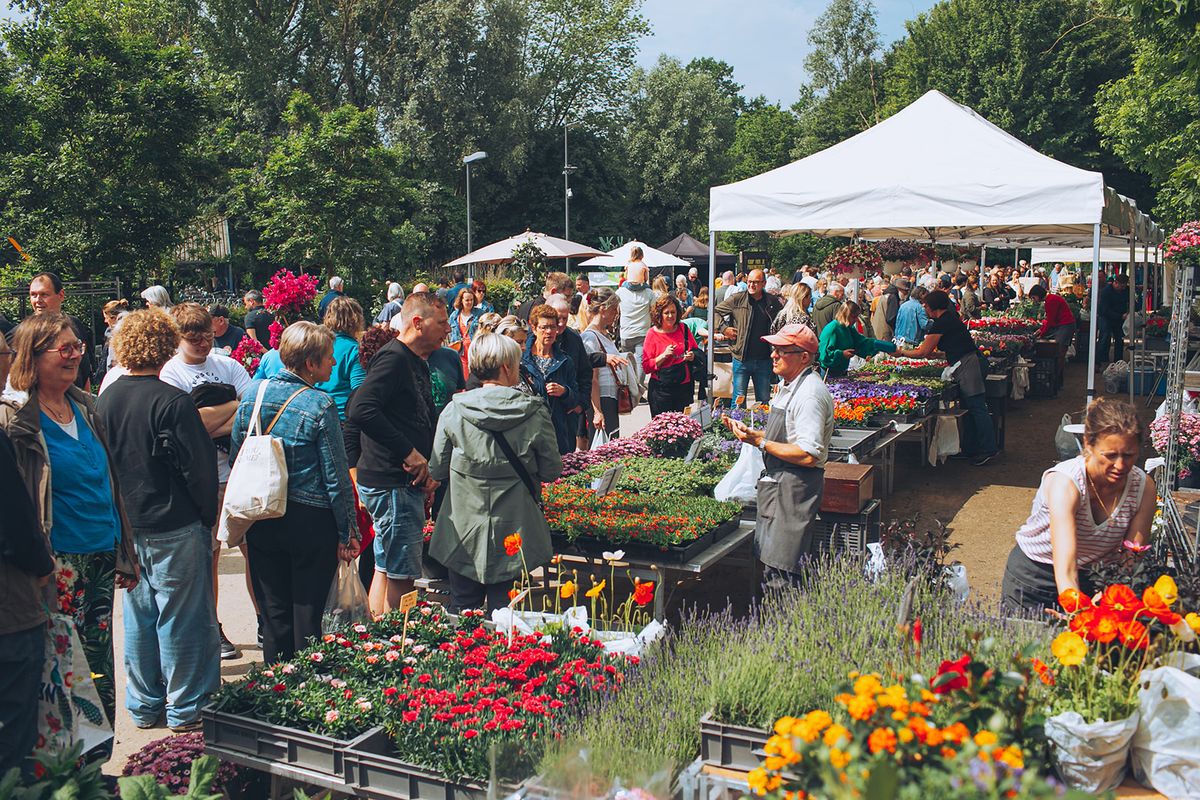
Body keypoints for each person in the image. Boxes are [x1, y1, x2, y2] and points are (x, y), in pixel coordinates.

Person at [0, 312, 139, 730]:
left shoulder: (85, 406)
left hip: (98, 556)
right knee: (61, 671)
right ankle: (65, 772)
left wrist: (124, 551)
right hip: (54, 564)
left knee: (98, 667)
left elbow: (108, 484)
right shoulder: (16, 420)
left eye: (77, 346)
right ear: (32, 356)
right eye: (64, 348)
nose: (75, 355)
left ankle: (98, 762)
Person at [96, 310, 219, 732]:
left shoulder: (106, 399)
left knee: (139, 615)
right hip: (173, 520)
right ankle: (185, 707)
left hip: (129, 522)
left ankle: (145, 705)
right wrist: (207, 516)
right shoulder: (172, 401)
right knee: (181, 616)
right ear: (165, 345)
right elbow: (198, 470)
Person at [230, 322, 358, 662]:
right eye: (329, 358)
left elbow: (236, 457)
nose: (333, 364)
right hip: (309, 519)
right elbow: (335, 475)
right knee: (309, 613)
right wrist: (348, 531)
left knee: (274, 613)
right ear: (311, 363)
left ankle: (276, 686)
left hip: (262, 515)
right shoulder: (319, 404)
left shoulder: (251, 397)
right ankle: (308, 687)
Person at [428, 334, 562, 612]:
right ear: (505, 367)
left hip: (463, 528)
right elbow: (551, 471)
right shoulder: (533, 412)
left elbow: (437, 469)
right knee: (507, 612)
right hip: (515, 529)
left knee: (462, 607)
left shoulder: (455, 410)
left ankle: (462, 654)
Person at [1001, 398, 1155, 616]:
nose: (1120, 465)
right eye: (1110, 455)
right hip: (1036, 578)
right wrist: (1080, 616)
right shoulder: (1066, 483)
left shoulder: (1143, 488)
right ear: (1088, 444)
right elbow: (1066, 566)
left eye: (1129, 455)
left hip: (1096, 578)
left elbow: (1131, 559)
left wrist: (1113, 596)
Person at [159, 303, 252, 659]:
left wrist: (212, 417)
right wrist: (232, 408)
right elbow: (190, 426)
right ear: (178, 337)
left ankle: (263, 620)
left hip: (240, 474)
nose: (201, 343)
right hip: (205, 479)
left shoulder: (228, 365)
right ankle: (214, 627)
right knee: (209, 560)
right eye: (192, 337)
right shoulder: (170, 374)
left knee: (254, 554)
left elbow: (252, 409)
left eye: (207, 336)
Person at [349, 293, 448, 613]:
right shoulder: (394, 358)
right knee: (402, 573)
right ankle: (399, 643)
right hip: (392, 480)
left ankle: (378, 636)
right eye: (442, 322)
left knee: (386, 566)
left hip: (399, 482)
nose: (448, 329)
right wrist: (409, 453)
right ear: (418, 323)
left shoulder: (414, 359)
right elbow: (360, 409)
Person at [723, 324, 833, 587]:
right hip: (782, 486)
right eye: (774, 349)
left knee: (784, 571)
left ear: (804, 357)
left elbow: (808, 454)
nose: (773, 355)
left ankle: (783, 622)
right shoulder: (791, 386)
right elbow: (789, 436)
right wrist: (753, 434)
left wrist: (760, 442)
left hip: (794, 491)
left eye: (782, 351)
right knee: (774, 563)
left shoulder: (809, 395)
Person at [0, 332, 54, 778]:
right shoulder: (10, 424)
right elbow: (15, 518)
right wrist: (41, 565)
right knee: (14, 742)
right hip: (10, 605)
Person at [896, 290, 998, 466]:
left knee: (977, 407)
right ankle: (971, 449)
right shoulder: (948, 319)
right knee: (971, 408)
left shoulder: (942, 323)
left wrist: (900, 352)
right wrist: (938, 356)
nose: (924, 308)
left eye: (926, 305)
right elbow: (952, 346)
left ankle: (988, 449)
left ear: (932, 307)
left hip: (969, 365)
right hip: (969, 361)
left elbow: (923, 351)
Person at [715, 269, 783, 404]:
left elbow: (782, 320)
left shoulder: (772, 301)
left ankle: (761, 424)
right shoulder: (737, 299)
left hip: (764, 358)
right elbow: (715, 312)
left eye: (756, 282)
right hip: (741, 358)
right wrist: (724, 329)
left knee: (763, 400)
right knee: (738, 401)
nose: (752, 285)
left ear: (763, 283)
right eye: (750, 282)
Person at [18, 272, 93, 391]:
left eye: (44, 294)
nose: (38, 300)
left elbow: (84, 372)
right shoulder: (23, 333)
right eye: (33, 295)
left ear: (61, 295)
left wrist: (86, 405)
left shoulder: (75, 325)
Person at [522, 304, 580, 454]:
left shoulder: (565, 361)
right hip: (528, 432)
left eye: (553, 327)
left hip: (558, 432)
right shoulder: (521, 360)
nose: (549, 332)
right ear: (533, 328)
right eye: (544, 327)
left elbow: (575, 399)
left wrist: (564, 392)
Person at [642, 295, 698, 416]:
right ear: (659, 314)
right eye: (666, 313)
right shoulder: (652, 333)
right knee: (663, 430)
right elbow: (646, 367)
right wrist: (663, 356)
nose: (670, 316)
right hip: (661, 390)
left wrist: (692, 355)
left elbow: (695, 350)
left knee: (683, 428)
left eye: (673, 312)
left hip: (683, 387)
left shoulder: (683, 328)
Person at [581, 289, 623, 440]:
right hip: (601, 398)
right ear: (603, 309)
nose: (615, 315)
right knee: (604, 443)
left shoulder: (604, 334)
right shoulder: (590, 337)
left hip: (610, 395)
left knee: (612, 440)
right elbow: (593, 378)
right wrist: (597, 411)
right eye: (613, 310)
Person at [818, 302, 897, 378]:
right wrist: (842, 354)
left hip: (842, 372)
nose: (856, 320)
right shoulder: (832, 329)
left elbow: (863, 343)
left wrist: (889, 347)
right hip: (829, 374)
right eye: (854, 317)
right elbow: (824, 356)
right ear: (846, 315)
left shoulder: (848, 328)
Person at [319, 297, 367, 420]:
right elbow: (359, 391)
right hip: (342, 416)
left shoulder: (319, 345)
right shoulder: (355, 350)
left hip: (317, 412)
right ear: (356, 319)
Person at [616, 255, 654, 384]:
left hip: (625, 332)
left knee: (626, 361)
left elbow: (616, 310)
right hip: (643, 332)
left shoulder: (620, 292)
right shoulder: (649, 293)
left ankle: (627, 386)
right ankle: (637, 388)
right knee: (640, 362)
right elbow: (654, 311)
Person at [1029, 285, 1076, 355]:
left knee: (1059, 350)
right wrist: (1041, 330)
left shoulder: (1050, 301)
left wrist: (1041, 334)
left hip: (1065, 325)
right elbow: (1050, 320)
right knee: (1061, 350)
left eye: (1034, 297)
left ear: (1038, 294)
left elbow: (1051, 321)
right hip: (1066, 324)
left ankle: (1059, 365)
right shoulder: (1050, 298)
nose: (1034, 300)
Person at [449, 285, 484, 379]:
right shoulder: (454, 316)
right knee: (463, 380)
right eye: (467, 300)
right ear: (461, 300)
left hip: (475, 352)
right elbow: (449, 334)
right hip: (460, 353)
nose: (470, 302)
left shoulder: (480, 314)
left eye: (471, 300)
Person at [1097, 273, 1129, 364]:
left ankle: (1118, 361)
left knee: (1120, 339)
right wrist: (1119, 316)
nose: (1123, 288)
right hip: (1105, 317)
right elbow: (1104, 310)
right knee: (1104, 337)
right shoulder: (1106, 291)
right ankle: (1099, 360)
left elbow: (1130, 301)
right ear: (1115, 283)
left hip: (1119, 318)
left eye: (1124, 286)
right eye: (1121, 286)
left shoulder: (1126, 290)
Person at [871, 277, 904, 342]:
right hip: (885, 333)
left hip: (878, 330)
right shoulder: (892, 297)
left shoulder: (886, 295)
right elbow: (891, 318)